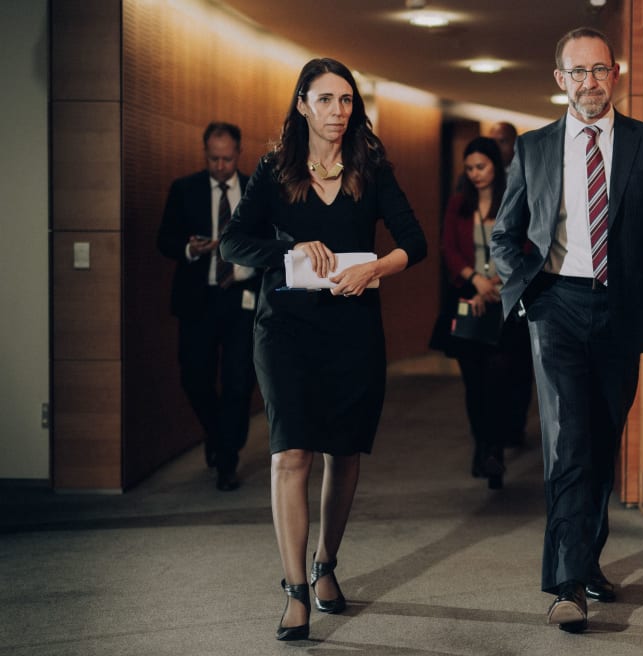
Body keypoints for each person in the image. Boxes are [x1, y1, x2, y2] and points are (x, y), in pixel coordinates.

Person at [489, 27, 643, 633]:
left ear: (616, 74)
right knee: (569, 442)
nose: (589, 82)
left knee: (604, 442)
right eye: (577, 72)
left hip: (622, 308)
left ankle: (586, 558)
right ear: (560, 79)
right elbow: (505, 235)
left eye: (599, 70)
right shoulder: (532, 148)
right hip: (556, 304)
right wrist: (527, 289)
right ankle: (567, 584)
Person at [218, 58, 426, 641]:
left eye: (346, 100)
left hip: (354, 329)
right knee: (291, 455)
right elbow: (234, 241)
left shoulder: (372, 168)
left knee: (343, 453)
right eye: (326, 100)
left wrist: (376, 269)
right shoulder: (274, 168)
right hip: (284, 330)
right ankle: (295, 592)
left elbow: (415, 241)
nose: (338, 111)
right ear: (302, 104)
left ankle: (327, 562)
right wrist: (289, 249)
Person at [156, 121, 259, 492]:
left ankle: (227, 460)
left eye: (227, 159)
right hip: (198, 299)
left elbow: (275, 242)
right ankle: (218, 434)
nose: (220, 166)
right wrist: (189, 249)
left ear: (238, 154)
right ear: (205, 154)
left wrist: (252, 260)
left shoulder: (255, 191)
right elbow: (164, 240)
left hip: (242, 298)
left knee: (238, 381)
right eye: (214, 159)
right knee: (194, 376)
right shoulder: (185, 190)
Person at [438, 137, 532, 490]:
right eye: (470, 168)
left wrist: (495, 280)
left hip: (505, 300)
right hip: (469, 301)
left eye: (482, 166)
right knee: (474, 382)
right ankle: (483, 446)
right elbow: (449, 249)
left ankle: (494, 449)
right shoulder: (459, 204)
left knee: (501, 377)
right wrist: (476, 280)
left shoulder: (513, 199)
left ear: (496, 166)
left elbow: (526, 245)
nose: (476, 174)